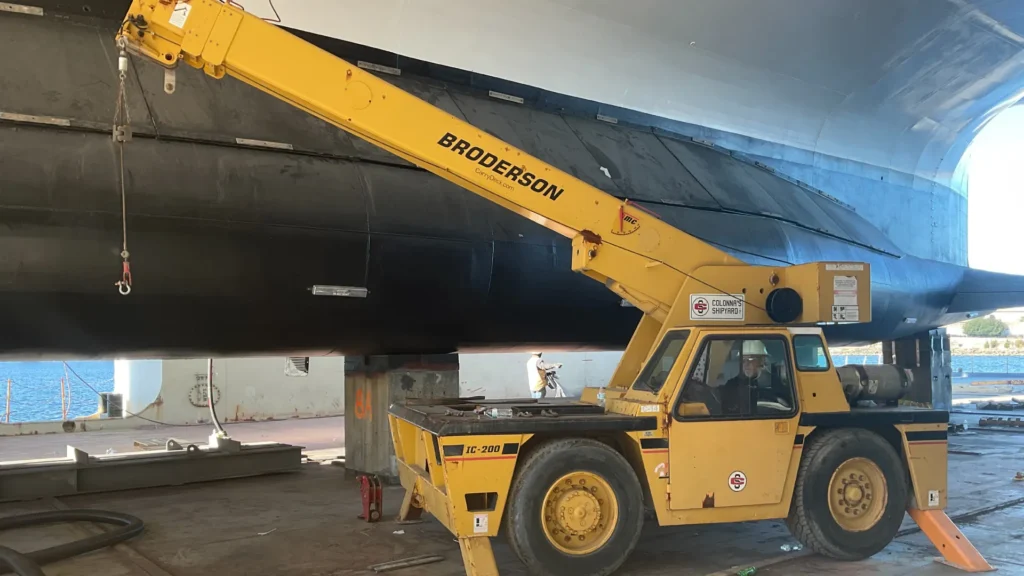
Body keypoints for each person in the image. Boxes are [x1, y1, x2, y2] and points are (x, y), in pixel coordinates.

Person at [720, 340, 789, 415]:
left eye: (750, 360)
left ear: (762, 361)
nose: (746, 364)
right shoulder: (732, 385)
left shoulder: (775, 383)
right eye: (743, 360)